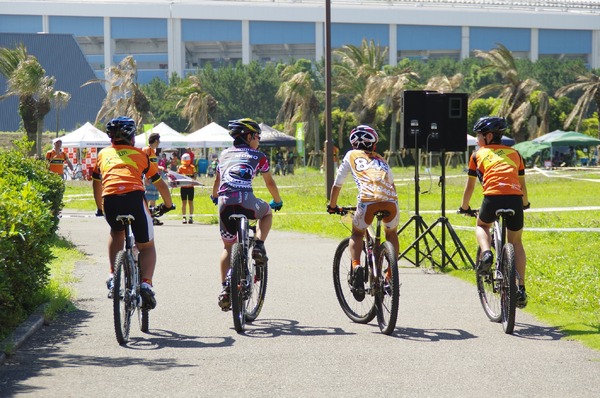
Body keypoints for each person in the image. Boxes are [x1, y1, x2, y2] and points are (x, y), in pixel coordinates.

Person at [92, 116, 175, 310]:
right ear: (132, 137)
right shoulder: (141, 155)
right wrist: (169, 205)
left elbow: (96, 184)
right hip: (134, 198)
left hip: (110, 199)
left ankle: (113, 275)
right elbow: (160, 184)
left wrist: (99, 207)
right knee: (147, 246)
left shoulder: (102, 154)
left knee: (116, 232)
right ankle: (146, 284)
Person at [211, 118, 283, 311]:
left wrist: (214, 196)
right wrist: (277, 200)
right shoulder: (258, 155)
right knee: (267, 213)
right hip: (246, 201)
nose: (258, 140)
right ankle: (259, 245)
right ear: (249, 136)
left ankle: (225, 288)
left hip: (225, 203)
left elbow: (217, 182)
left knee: (227, 247)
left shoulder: (224, 154)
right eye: (257, 136)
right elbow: (269, 183)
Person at [459, 116, 530, 308]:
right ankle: (521, 287)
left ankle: (487, 253)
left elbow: (470, 186)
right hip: (515, 199)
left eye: (479, 136)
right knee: (516, 242)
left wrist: (464, 207)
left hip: (492, 197)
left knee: (482, 225)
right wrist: (525, 204)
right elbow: (522, 184)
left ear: (489, 136)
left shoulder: (477, 155)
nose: (477, 139)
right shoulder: (516, 154)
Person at [326, 125, 399, 302]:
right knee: (391, 234)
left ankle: (357, 265)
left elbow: (337, 184)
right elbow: (392, 184)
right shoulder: (382, 159)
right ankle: (390, 275)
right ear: (374, 145)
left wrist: (332, 205)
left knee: (357, 233)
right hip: (391, 202)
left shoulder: (350, 155)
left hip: (367, 201)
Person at [142, 132, 164, 225]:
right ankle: (144, 217)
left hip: (155, 177)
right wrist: (146, 176)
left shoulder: (153, 151)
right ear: (155, 140)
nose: (159, 142)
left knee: (154, 198)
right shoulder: (147, 149)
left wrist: (159, 168)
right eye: (159, 140)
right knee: (148, 197)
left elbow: (152, 164)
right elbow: (144, 163)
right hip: (149, 177)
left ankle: (152, 217)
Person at [178, 152, 197, 224]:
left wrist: (190, 177)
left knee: (190, 202)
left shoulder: (192, 167)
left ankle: (191, 217)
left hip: (190, 187)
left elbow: (195, 176)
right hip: (183, 187)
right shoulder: (180, 167)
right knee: (184, 202)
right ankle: (184, 217)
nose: (185, 163)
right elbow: (178, 177)